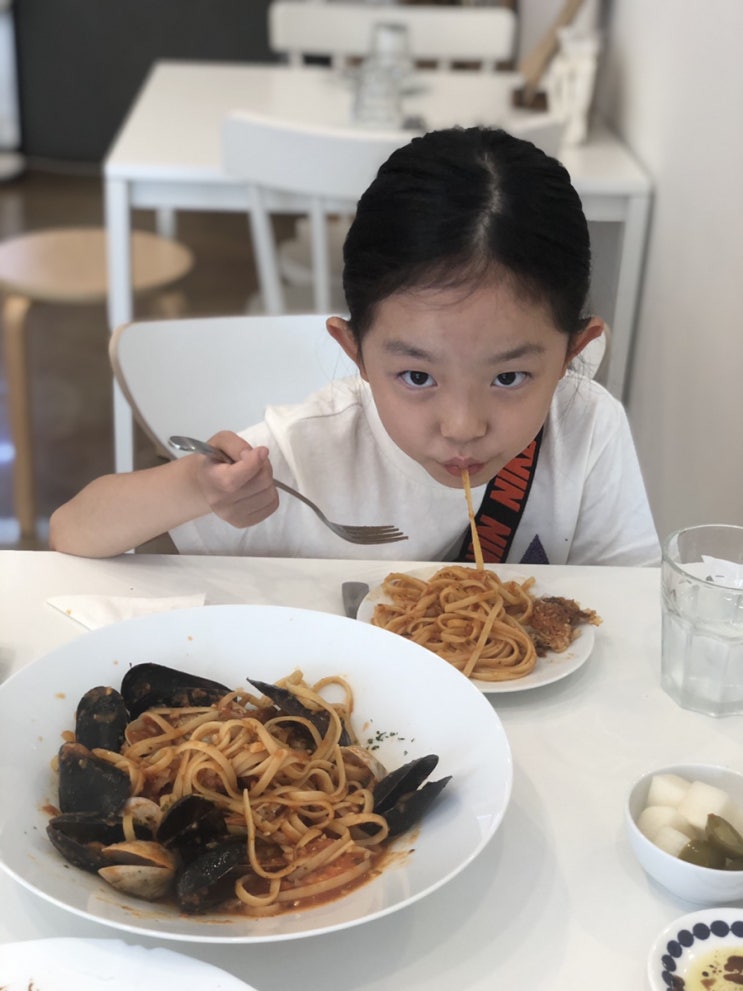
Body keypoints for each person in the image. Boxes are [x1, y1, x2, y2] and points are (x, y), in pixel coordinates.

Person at [49, 126, 660, 565]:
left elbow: (630, 612)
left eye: (509, 378)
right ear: (355, 351)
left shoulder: (587, 431)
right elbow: (71, 533)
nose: (463, 426)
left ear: (574, 351)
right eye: (417, 377)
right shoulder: (311, 452)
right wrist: (194, 487)